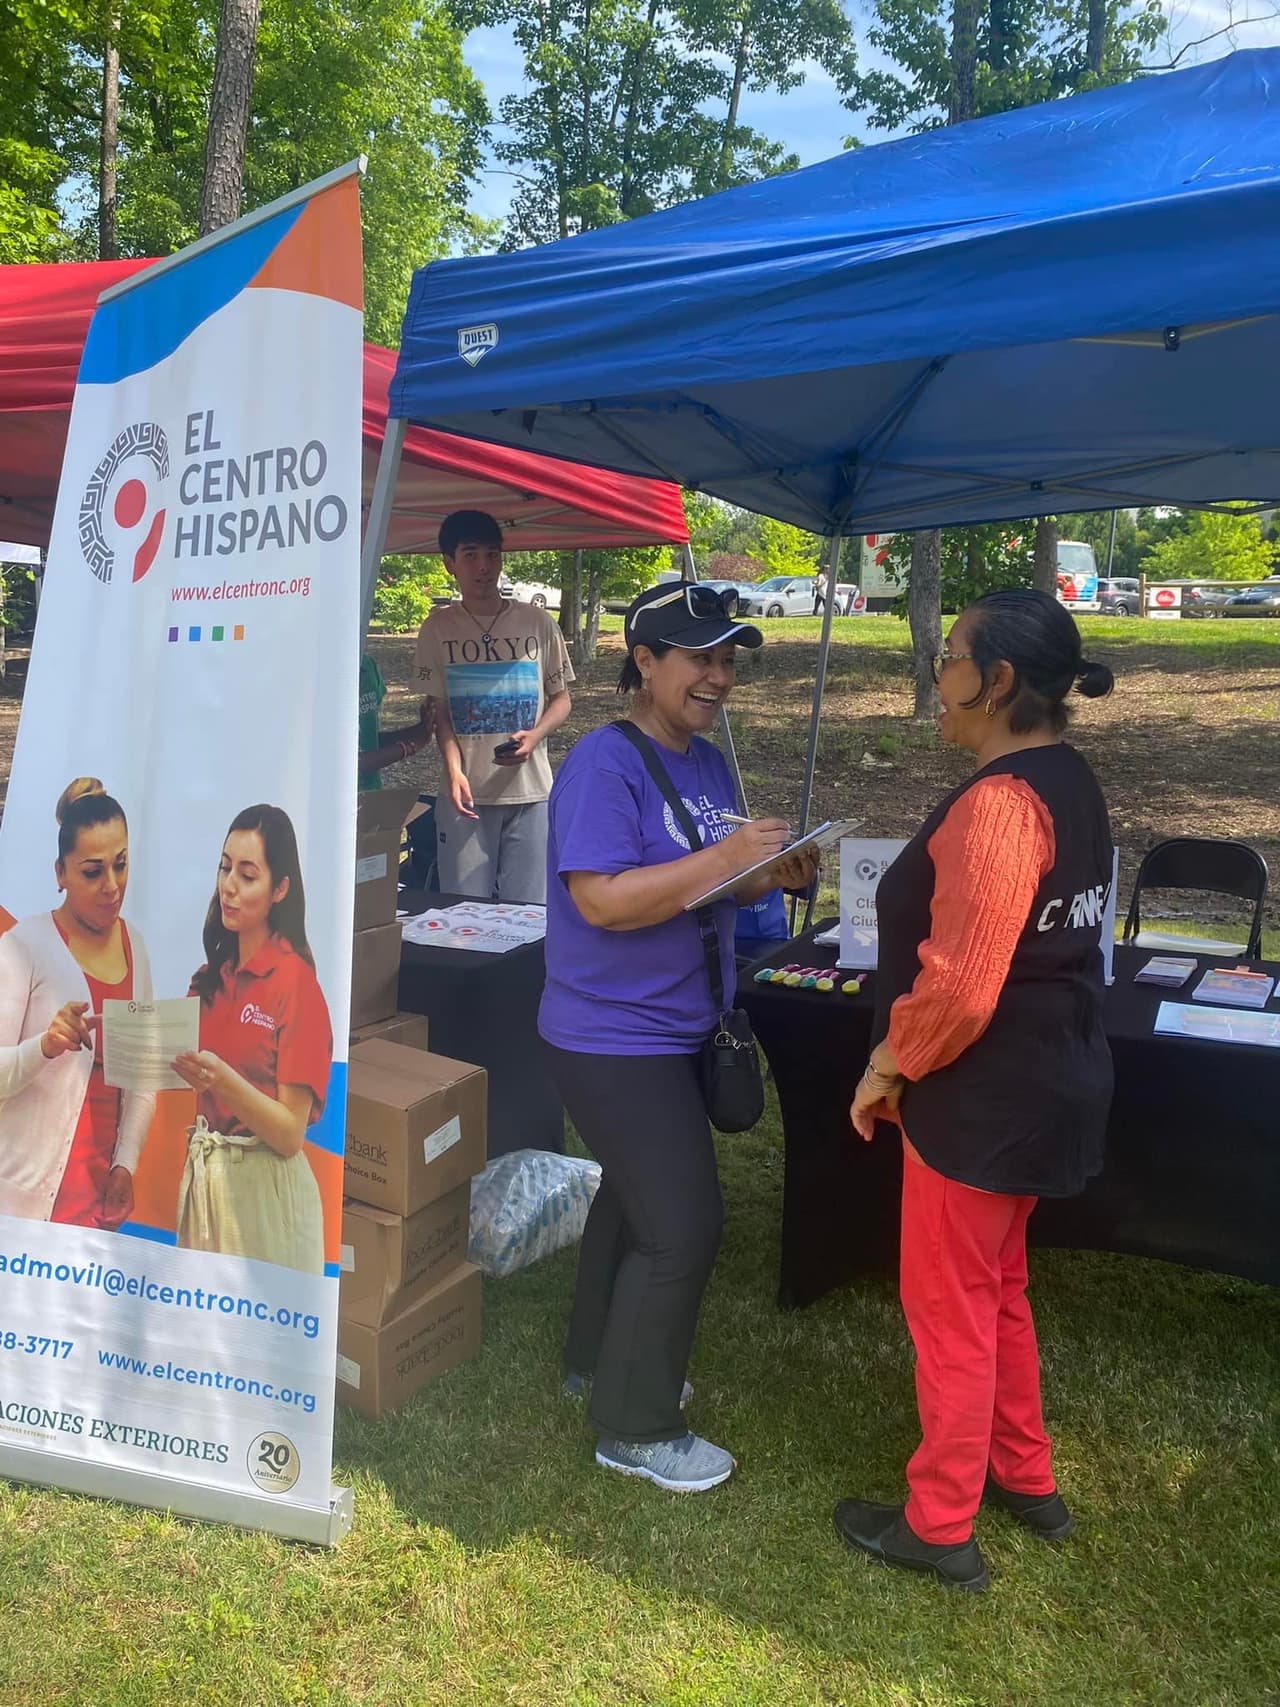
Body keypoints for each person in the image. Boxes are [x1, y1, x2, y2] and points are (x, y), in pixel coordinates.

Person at [835, 588, 1115, 1592]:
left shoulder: (1000, 804)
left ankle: (939, 1522)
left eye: (949, 655)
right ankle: (1024, 1475)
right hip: (1042, 1082)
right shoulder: (1068, 777)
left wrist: (885, 1067)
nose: (937, 672)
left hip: (982, 1097)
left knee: (950, 1306)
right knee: (996, 1289)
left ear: (996, 682)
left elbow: (958, 988)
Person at [539, 582, 819, 1492]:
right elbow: (600, 899)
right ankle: (636, 1426)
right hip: (611, 1034)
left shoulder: (705, 764)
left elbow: (706, 885)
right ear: (645, 660)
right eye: (701, 658)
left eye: (729, 661)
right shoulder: (603, 763)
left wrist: (766, 872)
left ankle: (595, 1361)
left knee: (635, 1203)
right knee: (684, 1223)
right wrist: (728, 857)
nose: (719, 677)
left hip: (677, 1026)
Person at [172, 805, 332, 1273]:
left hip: (268, 1196)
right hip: (206, 1185)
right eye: (225, 868)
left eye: (247, 875)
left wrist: (221, 1081)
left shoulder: (296, 985)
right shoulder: (210, 979)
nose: (229, 886)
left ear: (280, 889)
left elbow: (289, 1134)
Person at [0, 779, 155, 1227]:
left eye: (121, 865)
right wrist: (44, 1047)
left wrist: (125, 1163)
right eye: (92, 871)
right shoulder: (24, 946)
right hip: (19, 1209)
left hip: (95, 1208)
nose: (112, 886)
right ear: (60, 874)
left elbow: (140, 1081)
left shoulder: (135, 948)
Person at [414, 510, 574, 903]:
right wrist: (453, 771)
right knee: (463, 912)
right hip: (465, 797)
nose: (484, 566)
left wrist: (535, 736)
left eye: (492, 554)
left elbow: (562, 699)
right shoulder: (437, 628)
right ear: (449, 563)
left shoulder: (538, 622)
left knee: (529, 913)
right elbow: (440, 713)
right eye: (470, 555)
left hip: (532, 793)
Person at [358, 651, 435, 791]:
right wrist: (406, 749)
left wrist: (420, 731)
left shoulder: (367, 666)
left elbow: (367, 742)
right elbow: (344, 763)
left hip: (371, 794)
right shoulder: (319, 678)